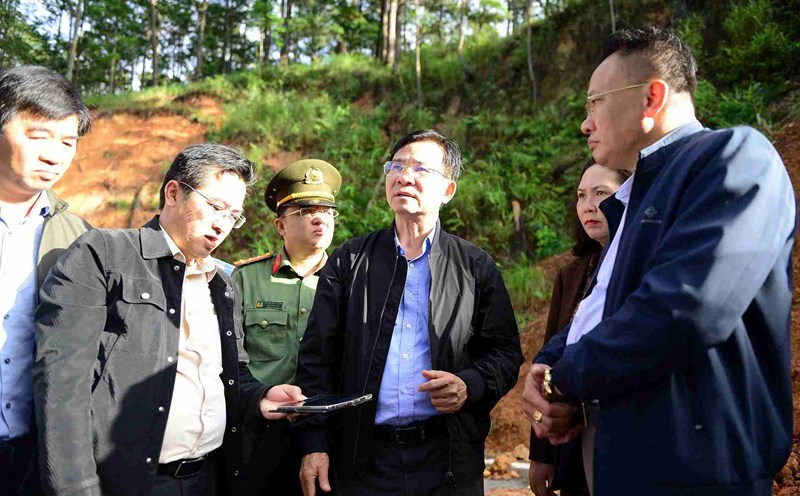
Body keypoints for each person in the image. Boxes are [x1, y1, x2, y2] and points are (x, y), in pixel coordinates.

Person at [522, 26, 795, 495]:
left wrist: (564, 377)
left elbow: (684, 308)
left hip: (694, 472)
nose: (585, 124)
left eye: (594, 104)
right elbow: (604, 307)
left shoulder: (732, 157)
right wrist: (545, 366)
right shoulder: (631, 199)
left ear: (651, 98)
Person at [34, 144, 305, 496]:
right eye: (215, 206)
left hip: (207, 478)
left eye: (233, 215)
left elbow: (232, 375)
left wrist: (261, 398)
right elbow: (61, 384)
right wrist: (76, 488)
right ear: (174, 192)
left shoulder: (222, 284)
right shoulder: (103, 254)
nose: (223, 224)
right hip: (126, 483)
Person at [295, 129, 524, 496]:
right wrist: (314, 444)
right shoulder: (351, 261)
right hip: (363, 460)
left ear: (448, 190)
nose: (404, 176)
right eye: (397, 166)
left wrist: (469, 384)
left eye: (421, 169)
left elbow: (506, 353)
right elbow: (316, 359)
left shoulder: (475, 266)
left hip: (446, 457)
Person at [0, 65, 92, 496]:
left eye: (68, 141)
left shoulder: (79, 237)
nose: (55, 155)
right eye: (38, 136)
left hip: (33, 455)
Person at [233, 159, 341, 496]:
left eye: (326, 210)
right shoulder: (246, 279)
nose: (320, 217)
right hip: (263, 434)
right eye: (306, 210)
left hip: (330, 434)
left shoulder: (351, 281)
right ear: (281, 226)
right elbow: (230, 361)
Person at [528, 161, 630, 496]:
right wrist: (541, 454)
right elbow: (545, 365)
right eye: (581, 195)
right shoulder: (571, 274)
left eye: (602, 193)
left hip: (622, 432)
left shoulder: (640, 264)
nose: (588, 205)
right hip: (569, 433)